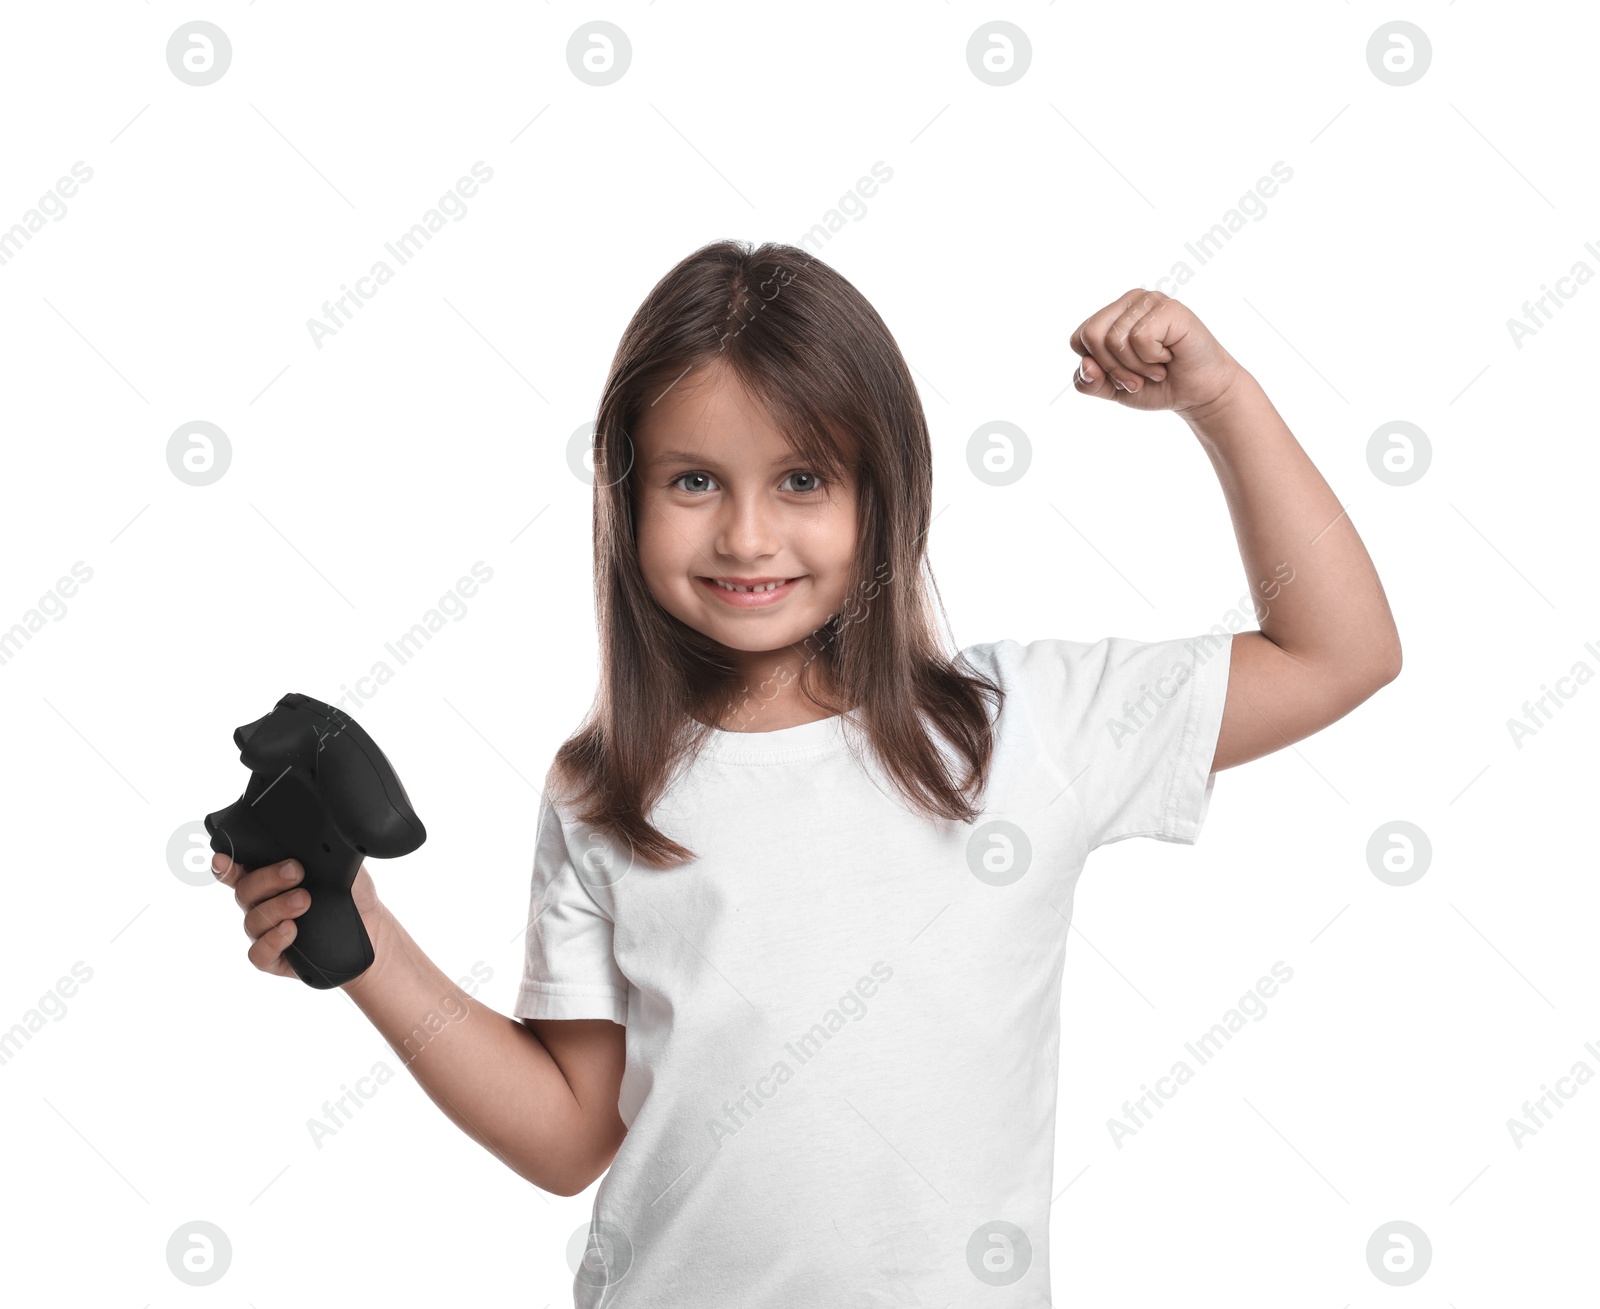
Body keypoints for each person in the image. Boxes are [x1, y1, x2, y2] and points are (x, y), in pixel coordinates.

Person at [214, 240, 1401, 1307]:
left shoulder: (1022, 727)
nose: (744, 536)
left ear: (885, 496)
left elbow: (1338, 653)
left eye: (801, 480)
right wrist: (362, 931)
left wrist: (1222, 404)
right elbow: (571, 1133)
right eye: (693, 481)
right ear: (625, 502)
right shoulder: (604, 786)